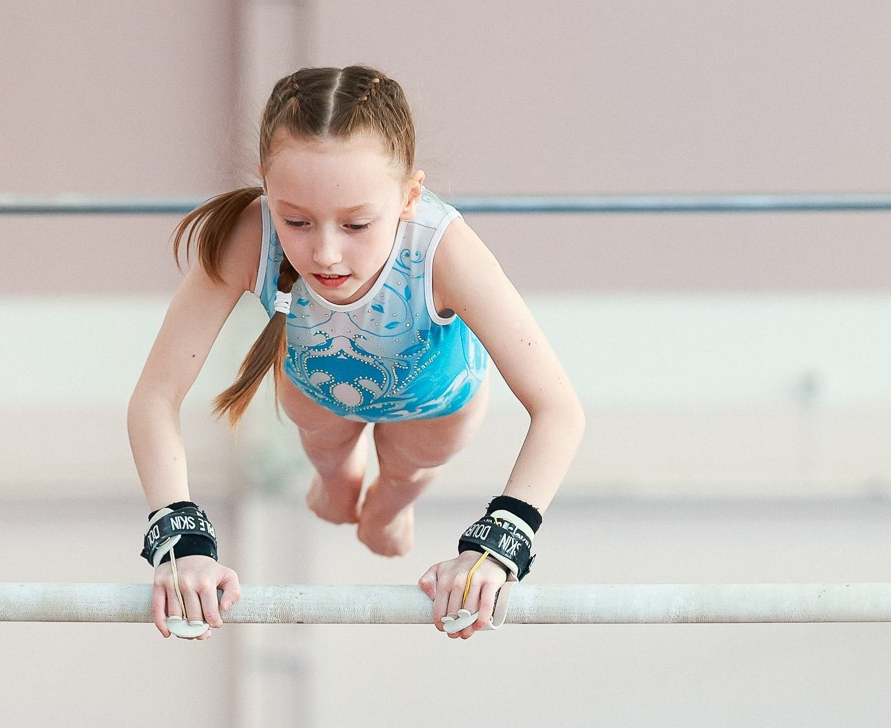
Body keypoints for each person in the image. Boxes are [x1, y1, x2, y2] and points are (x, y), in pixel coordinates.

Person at [126, 65, 586, 641]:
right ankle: (343, 484)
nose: (325, 253)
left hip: (435, 405)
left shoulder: (445, 251)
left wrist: (498, 548)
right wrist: (180, 543)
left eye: (357, 224)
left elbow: (560, 410)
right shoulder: (249, 235)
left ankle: (393, 499)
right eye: (295, 219)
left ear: (410, 197)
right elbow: (155, 397)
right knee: (334, 495)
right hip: (315, 389)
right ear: (268, 192)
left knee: (387, 501)